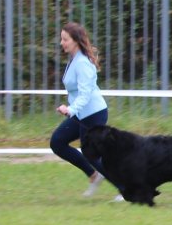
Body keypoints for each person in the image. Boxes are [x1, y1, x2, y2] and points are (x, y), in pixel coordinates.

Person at [49, 22, 123, 201]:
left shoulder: (82, 63)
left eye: (65, 39)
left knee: (91, 153)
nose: (61, 43)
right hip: (81, 114)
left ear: (75, 41)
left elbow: (85, 94)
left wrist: (70, 109)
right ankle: (93, 175)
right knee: (57, 142)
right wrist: (71, 110)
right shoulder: (74, 59)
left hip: (93, 113)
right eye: (61, 39)